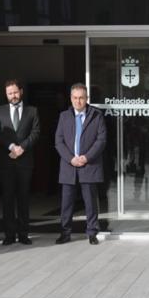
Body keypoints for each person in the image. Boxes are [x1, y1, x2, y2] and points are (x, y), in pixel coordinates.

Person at [54, 83, 107, 245]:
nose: (78, 101)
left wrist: (86, 157)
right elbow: (59, 141)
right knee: (67, 202)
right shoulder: (64, 116)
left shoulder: (96, 115)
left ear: (87, 99)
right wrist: (71, 158)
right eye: (75, 98)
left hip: (88, 165)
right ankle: (65, 232)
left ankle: (92, 233)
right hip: (69, 165)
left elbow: (101, 140)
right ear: (71, 98)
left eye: (81, 98)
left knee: (90, 202)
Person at [0, 78, 40, 245]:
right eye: (9, 93)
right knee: (7, 198)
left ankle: (24, 234)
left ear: (21, 91)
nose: (13, 95)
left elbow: (35, 132)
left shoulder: (32, 111)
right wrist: (12, 146)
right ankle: (9, 235)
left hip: (25, 162)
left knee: (23, 198)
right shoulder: (0, 111)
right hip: (6, 162)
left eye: (15, 92)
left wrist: (22, 147)